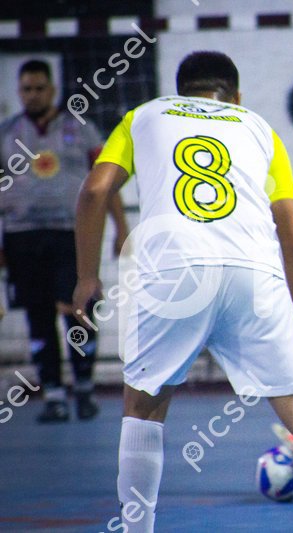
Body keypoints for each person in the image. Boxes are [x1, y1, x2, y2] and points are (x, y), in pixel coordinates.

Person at [72, 51, 293, 532]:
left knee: (143, 409)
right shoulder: (260, 129)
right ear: (236, 96)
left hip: (173, 272)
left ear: (180, 92)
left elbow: (93, 192)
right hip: (252, 274)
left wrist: (87, 278)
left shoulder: (143, 117)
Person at [0, 59, 129, 423]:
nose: (33, 95)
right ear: (19, 92)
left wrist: (122, 227)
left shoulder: (81, 130)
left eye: (40, 88)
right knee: (38, 315)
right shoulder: (6, 133)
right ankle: (54, 396)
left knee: (79, 309)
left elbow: (105, 183)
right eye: (27, 89)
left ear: (53, 90)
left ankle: (84, 389)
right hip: (22, 236)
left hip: (72, 234)